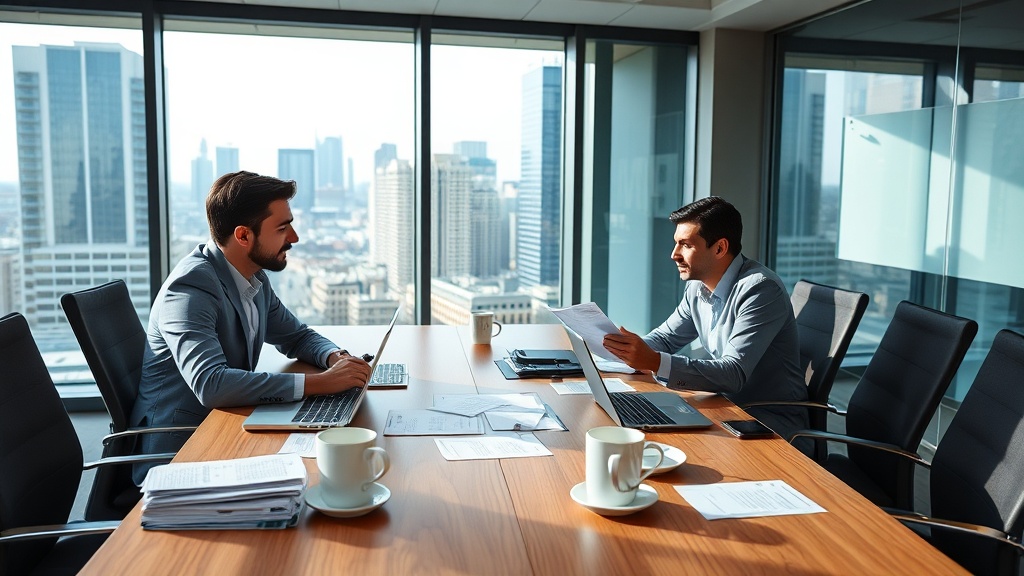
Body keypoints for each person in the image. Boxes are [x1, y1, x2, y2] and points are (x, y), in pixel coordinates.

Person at [130, 171, 372, 483]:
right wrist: (322, 383)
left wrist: (334, 358)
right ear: (244, 236)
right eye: (283, 228)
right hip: (180, 455)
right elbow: (211, 383)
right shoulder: (190, 288)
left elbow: (296, 336)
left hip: (226, 429)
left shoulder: (253, 277)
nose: (294, 238)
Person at [602, 196, 807, 441]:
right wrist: (618, 349)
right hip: (723, 406)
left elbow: (733, 372)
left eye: (686, 245)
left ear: (719, 248)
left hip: (766, 424)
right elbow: (666, 338)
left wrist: (655, 361)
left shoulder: (760, 289)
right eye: (676, 243)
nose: (673, 255)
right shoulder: (698, 288)